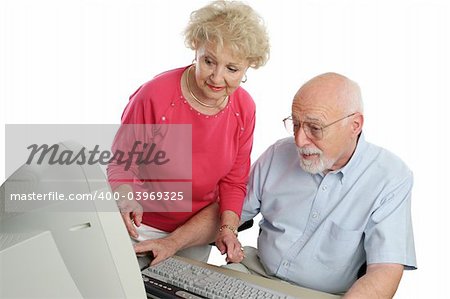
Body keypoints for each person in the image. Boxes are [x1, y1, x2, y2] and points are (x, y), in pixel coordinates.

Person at [224, 72, 417, 297]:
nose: (299, 140)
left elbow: (384, 271)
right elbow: (230, 209)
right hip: (255, 273)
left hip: (322, 295)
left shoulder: (390, 177)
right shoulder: (279, 153)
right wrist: (182, 239)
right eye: (295, 124)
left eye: (315, 128)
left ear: (354, 125)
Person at [107, 0, 270, 265]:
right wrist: (126, 200)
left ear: (248, 67)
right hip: (139, 228)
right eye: (209, 61)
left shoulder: (244, 108)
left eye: (232, 69)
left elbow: (233, 181)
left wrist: (227, 229)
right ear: (196, 49)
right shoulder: (155, 96)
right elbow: (122, 164)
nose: (217, 78)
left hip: (192, 235)